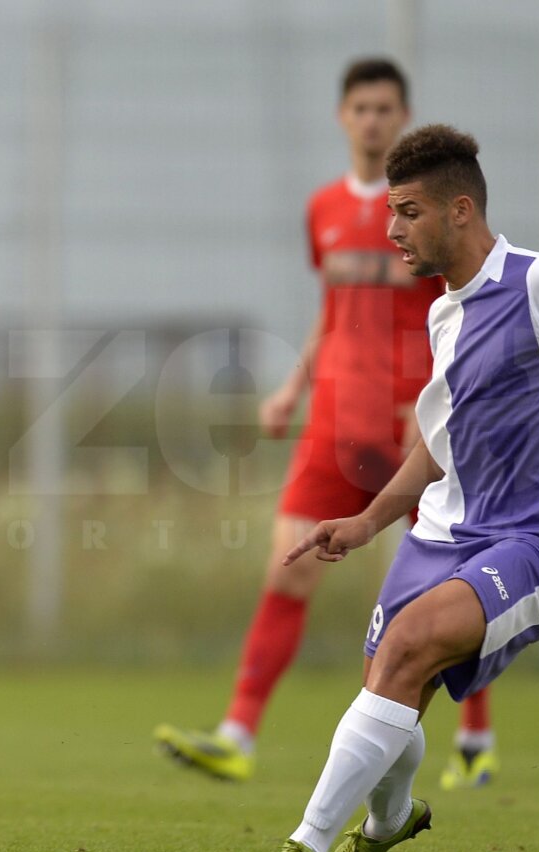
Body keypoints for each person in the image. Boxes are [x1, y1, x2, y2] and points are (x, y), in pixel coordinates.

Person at [267, 124, 539, 852]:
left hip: (536, 541)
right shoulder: (443, 313)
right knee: (395, 682)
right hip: (440, 533)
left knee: (405, 649)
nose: (393, 230)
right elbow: (439, 441)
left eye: (409, 211)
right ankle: (390, 822)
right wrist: (367, 521)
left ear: (461, 209)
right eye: (391, 213)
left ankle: (304, 845)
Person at [154, 58, 498, 788]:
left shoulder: (426, 214)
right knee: (289, 568)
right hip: (335, 424)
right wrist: (291, 387)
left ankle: (474, 741)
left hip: (413, 428)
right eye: (361, 107)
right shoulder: (323, 209)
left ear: (402, 117)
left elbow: (459, 308)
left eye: (385, 108)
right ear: (343, 117)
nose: (373, 119)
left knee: (456, 584)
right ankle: (237, 732)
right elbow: (336, 312)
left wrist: (440, 393)